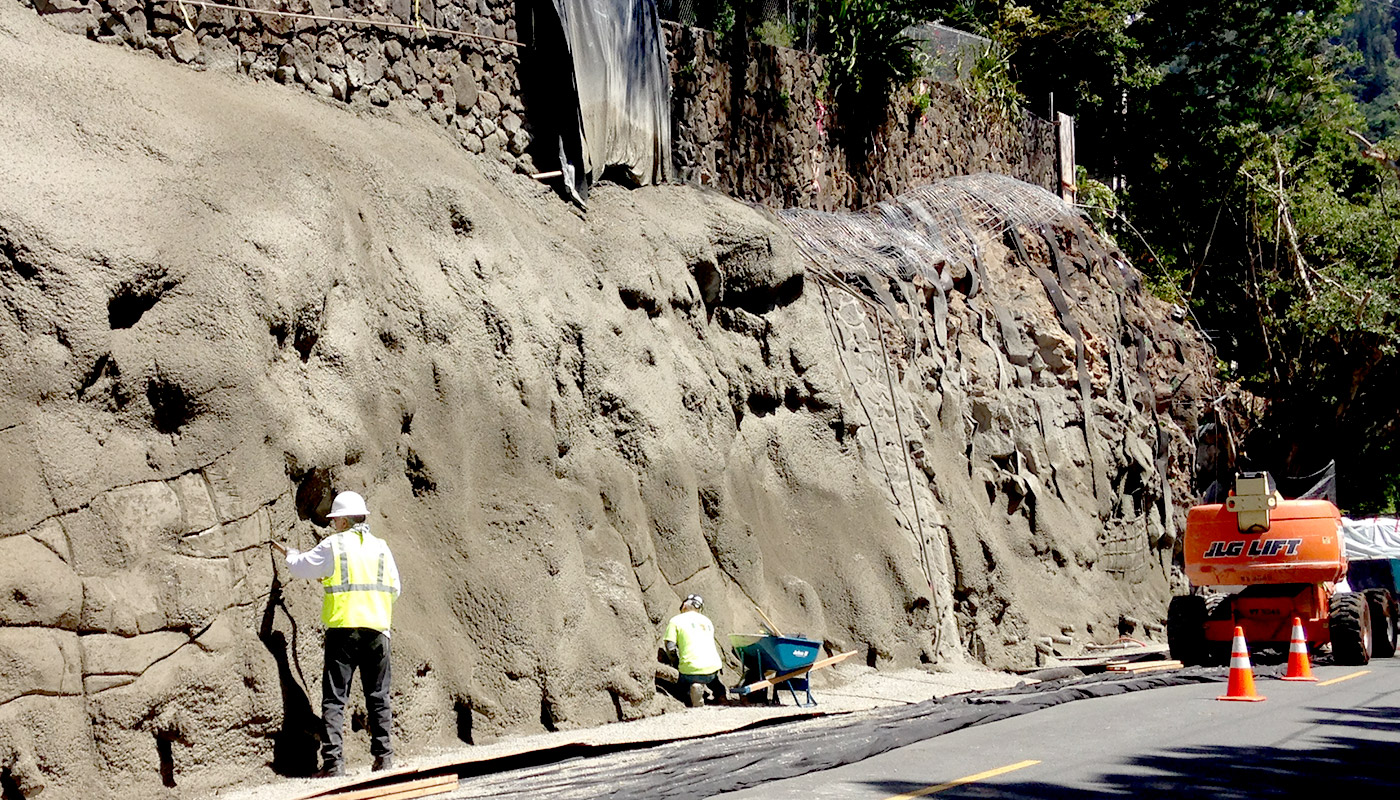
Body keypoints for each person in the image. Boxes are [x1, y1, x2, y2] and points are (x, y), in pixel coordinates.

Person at [272, 491, 401, 777]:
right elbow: (395, 589)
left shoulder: (335, 545)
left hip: (343, 630)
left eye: (334, 520)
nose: (332, 525)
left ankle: (334, 764)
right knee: (378, 696)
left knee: (334, 699)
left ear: (343, 520)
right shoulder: (381, 547)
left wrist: (291, 555)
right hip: (378, 630)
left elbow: (301, 567)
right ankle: (384, 758)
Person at [663, 594, 727, 707]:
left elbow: (670, 647)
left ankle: (693, 689)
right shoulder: (707, 621)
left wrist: (675, 663)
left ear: (683, 605)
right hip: (713, 669)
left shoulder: (675, 621)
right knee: (714, 682)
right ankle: (721, 695)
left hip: (690, 671)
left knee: (681, 683)